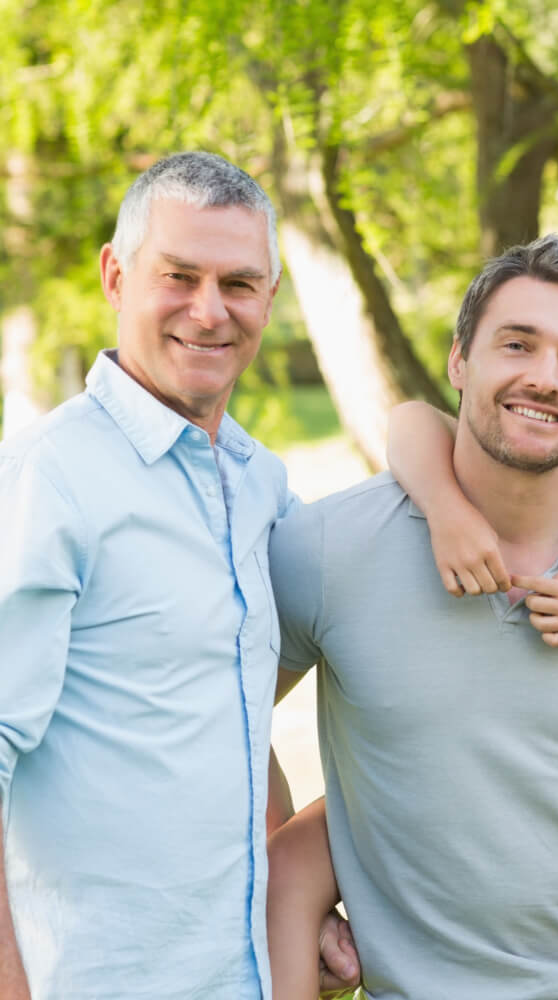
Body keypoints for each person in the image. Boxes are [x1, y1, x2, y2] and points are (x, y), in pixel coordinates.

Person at [268, 235, 558, 998]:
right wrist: (290, 878)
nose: (544, 379)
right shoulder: (327, 551)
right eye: (517, 344)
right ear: (460, 361)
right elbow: (224, 719)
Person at [0, 152, 292, 998]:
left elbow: (223, 704)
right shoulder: (48, 479)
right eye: (178, 276)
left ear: (269, 297)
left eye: (239, 283)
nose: (209, 312)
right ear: (115, 275)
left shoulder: (259, 482)